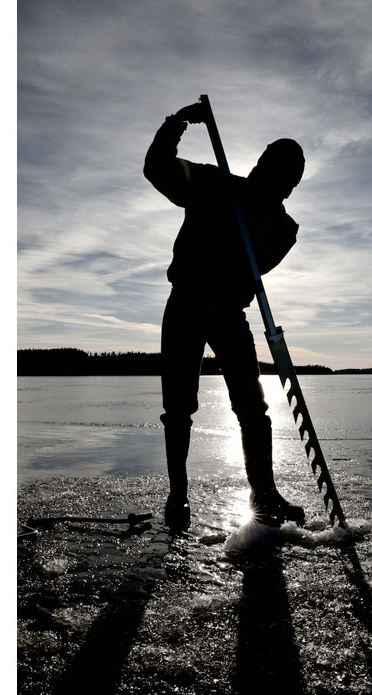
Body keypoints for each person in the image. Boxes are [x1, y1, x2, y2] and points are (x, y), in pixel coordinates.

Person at [143, 101, 307, 530]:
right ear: (260, 165)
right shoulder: (213, 183)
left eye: (286, 180)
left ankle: (264, 494)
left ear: (290, 188)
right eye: (273, 169)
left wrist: (245, 221)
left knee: (252, 407)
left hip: (228, 313)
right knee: (178, 407)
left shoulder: (281, 227)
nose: (278, 184)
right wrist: (175, 124)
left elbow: (260, 259)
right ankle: (177, 497)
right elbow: (157, 168)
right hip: (185, 304)